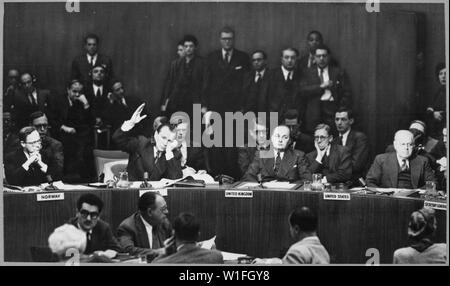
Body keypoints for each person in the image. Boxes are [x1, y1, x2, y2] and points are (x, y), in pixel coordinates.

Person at [112, 103, 183, 181]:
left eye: (169, 140)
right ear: (156, 134)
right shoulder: (141, 143)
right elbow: (117, 140)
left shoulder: (174, 154)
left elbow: (176, 179)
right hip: (134, 191)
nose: (165, 143)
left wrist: (169, 152)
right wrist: (130, 123)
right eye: (163, 138)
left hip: (158, 192)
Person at [299, 44, 352, 134]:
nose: (321, 58)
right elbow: (302, 91)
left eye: (324, 56)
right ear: (314, 58)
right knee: (314, 139)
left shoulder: (338, 72)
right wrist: (321, 87)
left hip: (332, 111)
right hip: (314, 111)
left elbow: (346, 93)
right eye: (318, 56)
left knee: (333, 137)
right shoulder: (307, 72)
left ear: (329, 57)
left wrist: (339, 109)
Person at [50, 79, 95, 181]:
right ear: (68, 90)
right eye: (74, 91)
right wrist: (63, 127)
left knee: (85, 147)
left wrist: (86, 104)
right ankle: (67, 177)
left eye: (80, 92)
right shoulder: (58, 100)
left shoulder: (82, 101)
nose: (77, 94)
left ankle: (85, 179)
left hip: (79, 134)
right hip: (61, 133)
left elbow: (91, 121)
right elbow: (52, 119)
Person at [253, 206, 330, 264]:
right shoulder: (323, 252)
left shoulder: (297, 252)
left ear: (296, 229)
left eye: (290, 227)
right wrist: (268, 262)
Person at [366, 130, 436, 189]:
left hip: (414, 199)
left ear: (414, 146)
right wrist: (382, 194)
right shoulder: (381, 160)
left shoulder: (422, 161)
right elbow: (370, 181)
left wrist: (418, 192)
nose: (406, 148)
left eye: (410, 144)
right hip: (389, 200)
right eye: (403, 144)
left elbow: (433, 182)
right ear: (395, 145)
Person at [243, 125, 312, 183]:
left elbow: (307, 180)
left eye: (285, 137)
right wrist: (261, 187)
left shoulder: (298, 155)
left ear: (290, 141)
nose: (280, 140)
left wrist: (287, 186)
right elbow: (248, 176)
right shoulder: (261, 154)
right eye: (277, 136)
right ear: (271, 138)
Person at [160, 35, 208, 119]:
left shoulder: (202, 64)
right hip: (178, 103)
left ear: (195, 47)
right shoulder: (176, 64)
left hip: (195, 103)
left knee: (195, 129)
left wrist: (204, 105)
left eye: (191, 46)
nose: (188, 49)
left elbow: (205, 86)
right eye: (186, 46)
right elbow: (169, 84)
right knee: (179, 128)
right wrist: (165, 103)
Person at [116, 192, 172, 261]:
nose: (167, 212)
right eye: (163, 209)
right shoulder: (127, 227)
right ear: (150, 212)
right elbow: (128, 251)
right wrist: (157, 252)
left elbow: (173, 243)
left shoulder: (164, 223)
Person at [152, 212, 224, 264]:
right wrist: (213, 250)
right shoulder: (216, 256)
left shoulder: (161, 263)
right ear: (198, 234)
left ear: (174, 234)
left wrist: (165, 252)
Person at [334, 108, 370, 185]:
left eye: (343, 119)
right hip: (337, 182)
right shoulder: (334, 141)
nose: (339, 123)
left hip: (355, 182)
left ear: (351, 121)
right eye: (337, 119)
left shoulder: (360, 138)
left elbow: (356, 166)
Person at [267, 48, 302, 122]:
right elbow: (263, 98)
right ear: (281, 59)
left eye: (293, 58)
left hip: (294, 118)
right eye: (286, 57)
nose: (289, 60)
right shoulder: (270, 74)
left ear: (297, 59)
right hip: (272, 118)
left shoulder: (301, 75)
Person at [426, 63, 446, 140]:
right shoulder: (439, 91)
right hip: (436, 131)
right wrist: (433, 113)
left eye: (446, 73)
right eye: (441, 74)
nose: (443, 76)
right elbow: (429, 108)